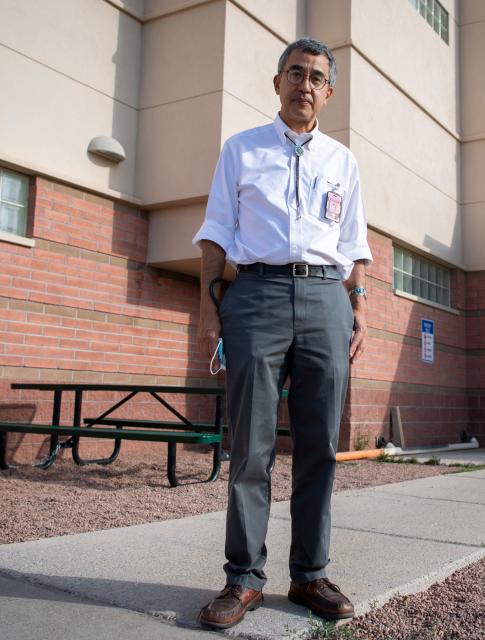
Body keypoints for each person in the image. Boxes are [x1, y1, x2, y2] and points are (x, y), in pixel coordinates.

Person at [192, 37, 372, 630]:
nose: (305, 84)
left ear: (329, 91)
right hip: (256, 296)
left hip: (327, 298)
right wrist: (207, 308)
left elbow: (355, 247)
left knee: (319, 445)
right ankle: (243, 578)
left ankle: (309, 575)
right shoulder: (240, 150)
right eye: (295, 73)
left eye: (317, 77)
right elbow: (216, 232)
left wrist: (360, 306)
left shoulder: (342, 161)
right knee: (251, 446)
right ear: (277, 83)